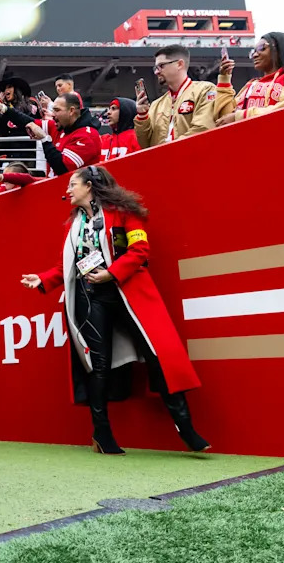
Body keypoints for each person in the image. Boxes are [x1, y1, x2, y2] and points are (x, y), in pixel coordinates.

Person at [20, 166, 209, 456]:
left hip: (128, 293)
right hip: (91, 299)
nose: (67, 190)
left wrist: (111, 273)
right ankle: (101, 433)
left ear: (90, 186)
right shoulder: (74, 225)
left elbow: (139, 251)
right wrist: (43, 279)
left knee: (159, 357)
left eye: (73, 184)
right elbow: (65, 268)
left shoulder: (123, 213)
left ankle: (185, 428)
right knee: (98, 366)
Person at [216, 32, 284, 124]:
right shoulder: (252, 85)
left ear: (280, 49)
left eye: (261, 48)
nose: (255, 55)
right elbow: (224, 119)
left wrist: (241, 116)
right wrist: (225, 80)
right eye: (253, 51)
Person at [133, 45, 219, 148]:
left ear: (179, 64)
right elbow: (144, 144)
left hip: (193, 160)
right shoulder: (156, 105)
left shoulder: (205, 90)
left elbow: (203, 129)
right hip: (163, 163)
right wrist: (142, 115)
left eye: (161, 66)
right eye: (155, 68)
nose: (156, 72)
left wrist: (168, 151)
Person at [28, 91, 101, 175]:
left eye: (57, 110)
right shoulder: (62, 128)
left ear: (71, 110)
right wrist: (9, 111)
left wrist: (45, 139)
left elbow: (62, 168)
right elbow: (28, 122)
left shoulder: (87, 135)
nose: (53, 115)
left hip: (72, 186)